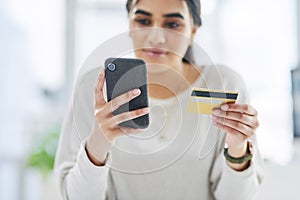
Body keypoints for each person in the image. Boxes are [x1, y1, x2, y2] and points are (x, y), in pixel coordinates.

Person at [55, 0, 264, 199]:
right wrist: (98, 143)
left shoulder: (223, 84)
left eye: (172, 24)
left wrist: (238, 148)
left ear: (193, 31)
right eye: (143, 21)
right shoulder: (96, 89)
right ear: (129, 24)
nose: (156, 37)